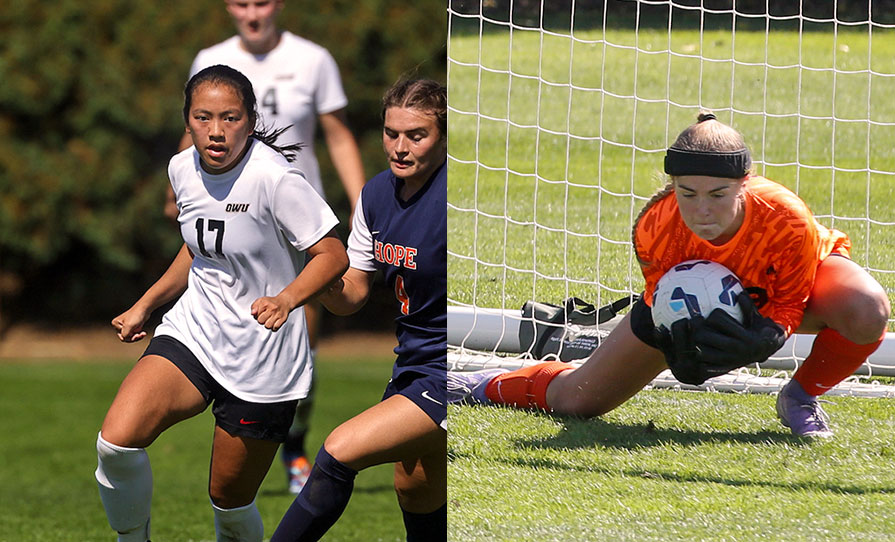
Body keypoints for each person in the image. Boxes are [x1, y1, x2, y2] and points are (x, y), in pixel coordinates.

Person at [449, 111, 890, 439]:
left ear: (745, 183)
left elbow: (791, 303)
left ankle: (799, 397)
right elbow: (663, 304)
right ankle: (480, 383)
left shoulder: (785, 218)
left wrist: (764, 340)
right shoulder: (654, 227)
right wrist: (682, 349)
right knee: (576, 400)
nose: (702, 210)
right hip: (689, 301)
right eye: (687, 193)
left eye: (719, 194)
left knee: (867, 309)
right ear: (672, 185)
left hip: (783, 295)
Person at [96, 64, 348, 542]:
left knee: (229, 504)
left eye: (230, 118)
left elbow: (333, 255)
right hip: (195, 332)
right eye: (203, 117)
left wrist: (287, 299)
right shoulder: (181, 168)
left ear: (250, 121)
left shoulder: (275, 179)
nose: (216, 131)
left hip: (264, 358)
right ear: (187, 121)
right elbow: (199, 246)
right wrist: (146, 304)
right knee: (115, 443)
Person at [169, 0, 367, 495]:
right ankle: (237, 439)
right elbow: (195, 129)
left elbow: (338, 135)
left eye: (261, 2)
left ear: (277, 5)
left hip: (299, 227)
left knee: (302, 342)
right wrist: (181, 191)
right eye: (242, 3)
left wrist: (363, 202)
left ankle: (294, 446)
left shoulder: (312, 59)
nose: (252, 13)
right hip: (237, 219)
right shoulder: (209, 59)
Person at [270, 78, 447, 542]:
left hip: (456, 368)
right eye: (392, 133)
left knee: (338, 451)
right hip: (411, 363)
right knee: (415, 488)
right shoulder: (374, 196)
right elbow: (352, 295)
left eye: (417, 135)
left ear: (445, 138)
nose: (400, 147)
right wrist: (318, 274)